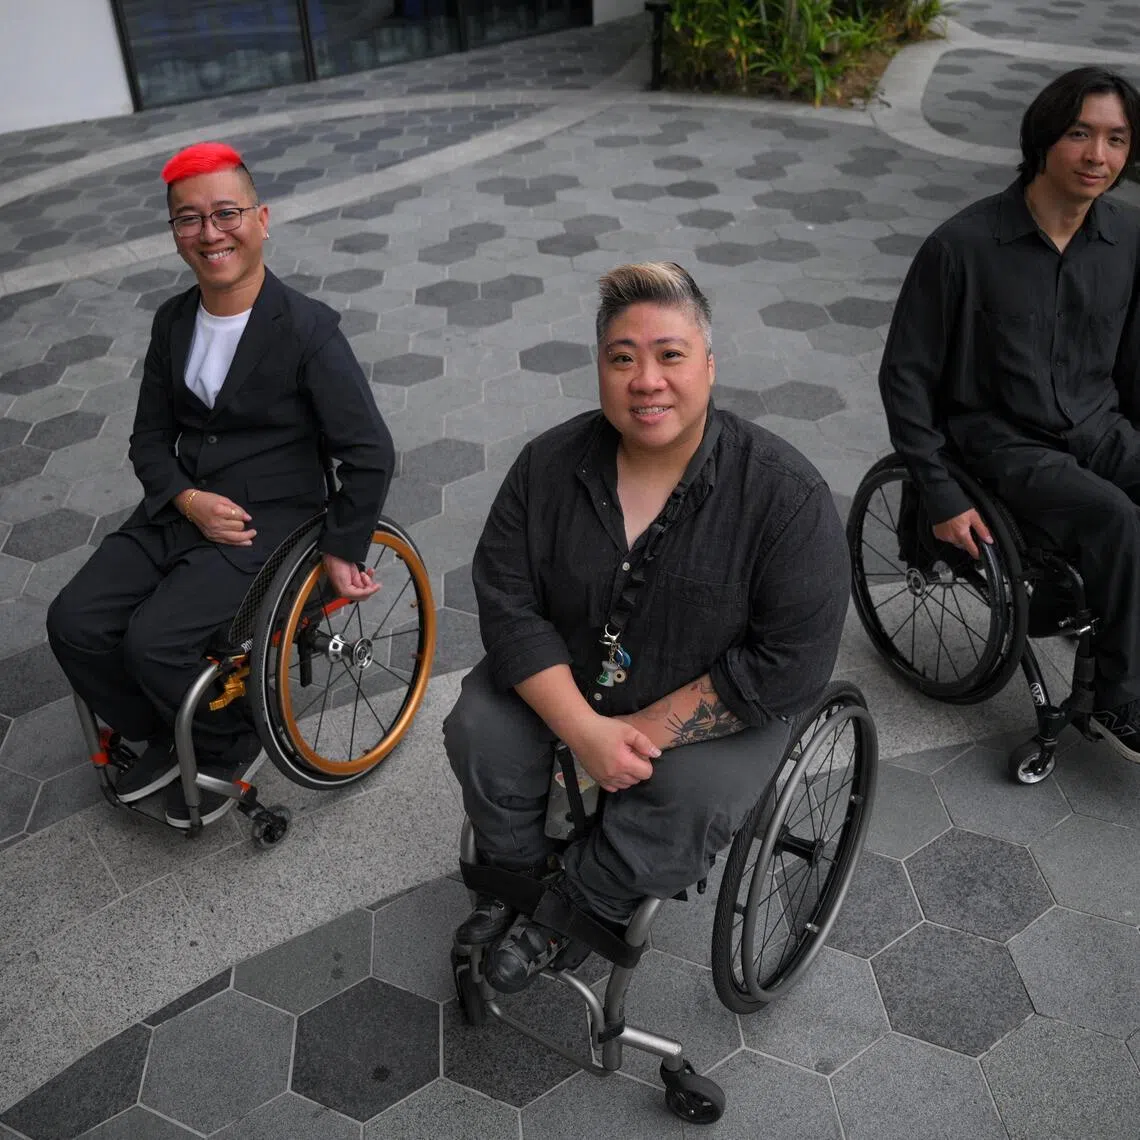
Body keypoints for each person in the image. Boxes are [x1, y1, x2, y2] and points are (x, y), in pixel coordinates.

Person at [444, 262, 849, 993]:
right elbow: (506, 599)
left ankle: (582, 904)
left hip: (714, 707)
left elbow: (791, 661)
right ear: (600, 368)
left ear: (710, 365)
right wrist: (584, 730)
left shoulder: (786, 497)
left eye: (671, 355)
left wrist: (644, 732)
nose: (646, 380)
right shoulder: (548, 466)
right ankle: (513, 878)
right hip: (567, 679)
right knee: (480, 724)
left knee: (690, 796)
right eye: (622, 358)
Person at [46, 142, 393, 827]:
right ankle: (169, 731)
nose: (210, 233)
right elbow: (148, 438)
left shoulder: (307, 332)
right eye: (189, 219)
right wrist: (185, 498)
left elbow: (370, 451)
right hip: (181, 506)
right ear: (175, 232)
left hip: (269, 525)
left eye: (226, 213)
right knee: (74, 623)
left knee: (152, 642)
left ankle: (224, 737)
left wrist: (343, 546)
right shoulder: (173, 321)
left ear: (261, 219)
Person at [879, 66, 1140, 761]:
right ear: (1044, 138)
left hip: (1097, 422)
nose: (1098, 156)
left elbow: (1134, 364)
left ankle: (1120, 649)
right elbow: (904, 378)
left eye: (1117, 139)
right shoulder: (962, 246)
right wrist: (936, 492)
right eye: (1080, 134)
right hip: (1001, 442)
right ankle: (1119, 698)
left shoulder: (1128, 240)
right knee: (1114, 518)